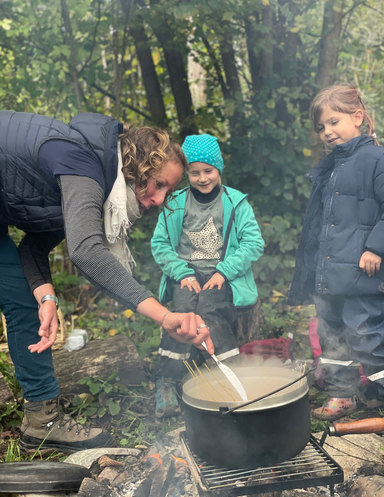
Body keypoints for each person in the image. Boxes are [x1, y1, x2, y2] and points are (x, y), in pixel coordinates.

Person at [0, 110, 214, 452]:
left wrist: (46, 298)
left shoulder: (90, 180)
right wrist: (164, 316)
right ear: (137, 164)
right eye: (158, 183)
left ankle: (42, 422)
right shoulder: (81, 162)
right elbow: (86, 250)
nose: (159, 200)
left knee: (23, 299)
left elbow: (33, 246)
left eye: (167, 191)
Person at [288, 83, 384, 420]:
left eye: (334, 122)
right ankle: (343, 394)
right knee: (331, 332)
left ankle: (382, 395)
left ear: (357, 117)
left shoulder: (376, 158)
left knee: (366, 335)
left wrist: (376, 247)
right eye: (321, 127)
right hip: (328, 273)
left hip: (362, 274)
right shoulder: (330, 166)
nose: (327, 132)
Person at [151, 134, 264, 418]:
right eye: (195, 172)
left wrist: (224, 271)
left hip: (220, 274)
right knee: (182, 315)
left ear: (219, 169)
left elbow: (254, 244)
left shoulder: (235, 202)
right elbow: (160, 244)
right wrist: (181, 273)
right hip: (186, 274)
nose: (202, 178)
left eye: (208, 171)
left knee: (210, 312)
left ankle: (230, 377)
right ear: (185, 173)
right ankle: (166, 381)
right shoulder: (175, 202)